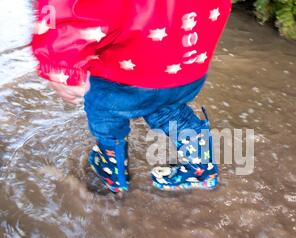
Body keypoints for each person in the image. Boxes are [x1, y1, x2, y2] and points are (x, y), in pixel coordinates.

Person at [31, 0, 232, 193]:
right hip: (185, 65)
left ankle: (112, 173)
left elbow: (77, 7)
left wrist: (60, 62)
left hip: (125, 71)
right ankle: (201, 171)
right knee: (171, 111)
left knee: (106, 114)